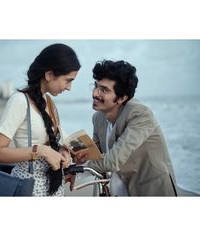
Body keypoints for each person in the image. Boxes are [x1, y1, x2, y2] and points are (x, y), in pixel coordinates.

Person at [75, 60, 177, 196]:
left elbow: (113, 160)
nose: (95, 93)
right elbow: (95, 154)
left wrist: (77, 169)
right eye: (96, 86)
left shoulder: (140, 114)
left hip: (151, 189)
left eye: (104, 90)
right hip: (118, 189)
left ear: (122, 98)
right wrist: (74, 158)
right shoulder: (98, 117)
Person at [0, 43, 81, 196]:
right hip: (28, 189)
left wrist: (63, 153)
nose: (69, 87)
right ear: (49, 75)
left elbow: (52, 142)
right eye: (68, 80)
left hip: (53, 189)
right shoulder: (20, 101)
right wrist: (40, 151)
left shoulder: (50, 103)